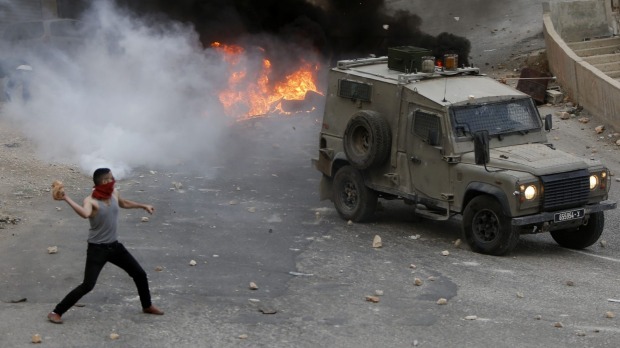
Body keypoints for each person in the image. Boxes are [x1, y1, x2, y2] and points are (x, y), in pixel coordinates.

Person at [47, 168, 163, 324]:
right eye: (109, 178)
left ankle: (147, 306)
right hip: (97, 249)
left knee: (139, 274)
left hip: (114, 247)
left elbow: (123, 203)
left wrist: (143, 206)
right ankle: (56, 312)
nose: (113, 180)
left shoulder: (114, 192)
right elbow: (85, 213)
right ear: (103, 182)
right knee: (88, 285)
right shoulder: (90, 201)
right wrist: (66, 198)